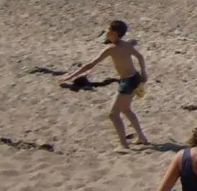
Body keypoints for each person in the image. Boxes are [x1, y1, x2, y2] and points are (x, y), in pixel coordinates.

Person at [61, 19, 149, 148]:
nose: (105, 31)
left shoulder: (111, 49)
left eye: (107, 29)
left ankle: (124, 145)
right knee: (126, 109)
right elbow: (140, 57)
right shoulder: (126, 45)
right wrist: (144, 73)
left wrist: (70, 76)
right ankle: (142, 137)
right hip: (135, 78)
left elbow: (90, 65)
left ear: (113, 33)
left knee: (113, 114)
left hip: (127, 81)